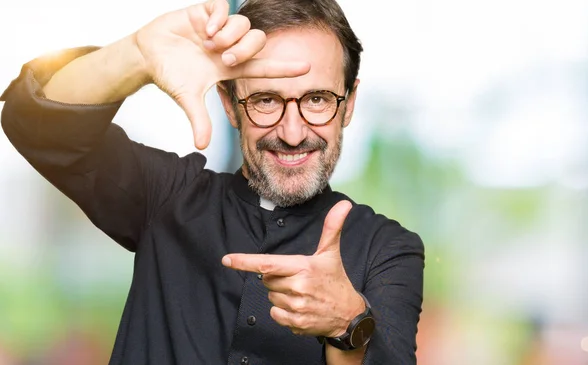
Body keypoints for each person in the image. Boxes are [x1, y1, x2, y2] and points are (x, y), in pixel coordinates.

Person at [0, 0, 425, 364]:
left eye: (317, 100)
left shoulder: (389, 249)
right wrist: (135, 56)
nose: (293, 132)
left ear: (348, 104)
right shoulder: (165, 197)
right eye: (265, 100)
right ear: (229, 104)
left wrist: (346, 322)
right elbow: (36, 125)